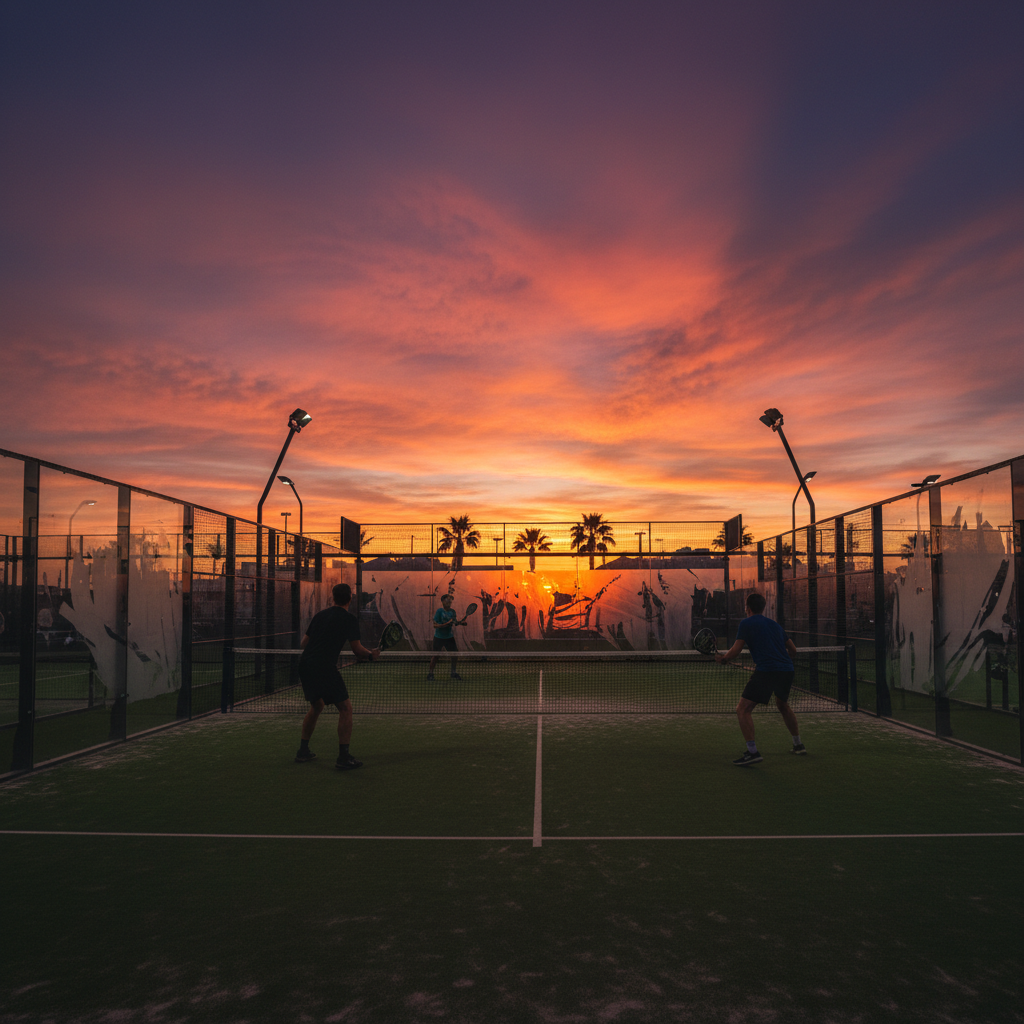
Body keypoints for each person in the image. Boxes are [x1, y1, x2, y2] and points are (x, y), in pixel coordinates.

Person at [716, 592, 807, 765]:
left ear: (747, 608)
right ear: (763, 607)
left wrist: (724, 659)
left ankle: (752, 752)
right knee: (782, 705)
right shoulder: (775, 625)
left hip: (767, 671)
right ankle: (798, 744)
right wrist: (783, 662)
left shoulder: (746, 623)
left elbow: (735, 650)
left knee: (743, 709)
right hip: (787, 670)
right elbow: (793, 650)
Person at [295, 582, 379, 770]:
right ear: (350, 598)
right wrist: (372, 655)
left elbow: (303, 643)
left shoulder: (319, 616)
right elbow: (358, 650)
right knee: (346, 708)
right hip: (324, 667)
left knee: (317, 706)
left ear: (333, 597)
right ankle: (343, 757)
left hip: (305, 665)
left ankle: (303, 751)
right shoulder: (349, 619)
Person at [427, 592, 462, 681]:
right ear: (443, 601)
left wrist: (460, 623)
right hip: (438, 637)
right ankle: (430, 674)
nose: (449, 602)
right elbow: (435, 625)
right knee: (435, 656)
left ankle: (453, 673)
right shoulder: (439, 611)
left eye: (450, 600)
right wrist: (446, 624)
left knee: (454, 655)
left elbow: (454, 622)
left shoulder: (453, 611)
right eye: (447, 600)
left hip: (449, 638)